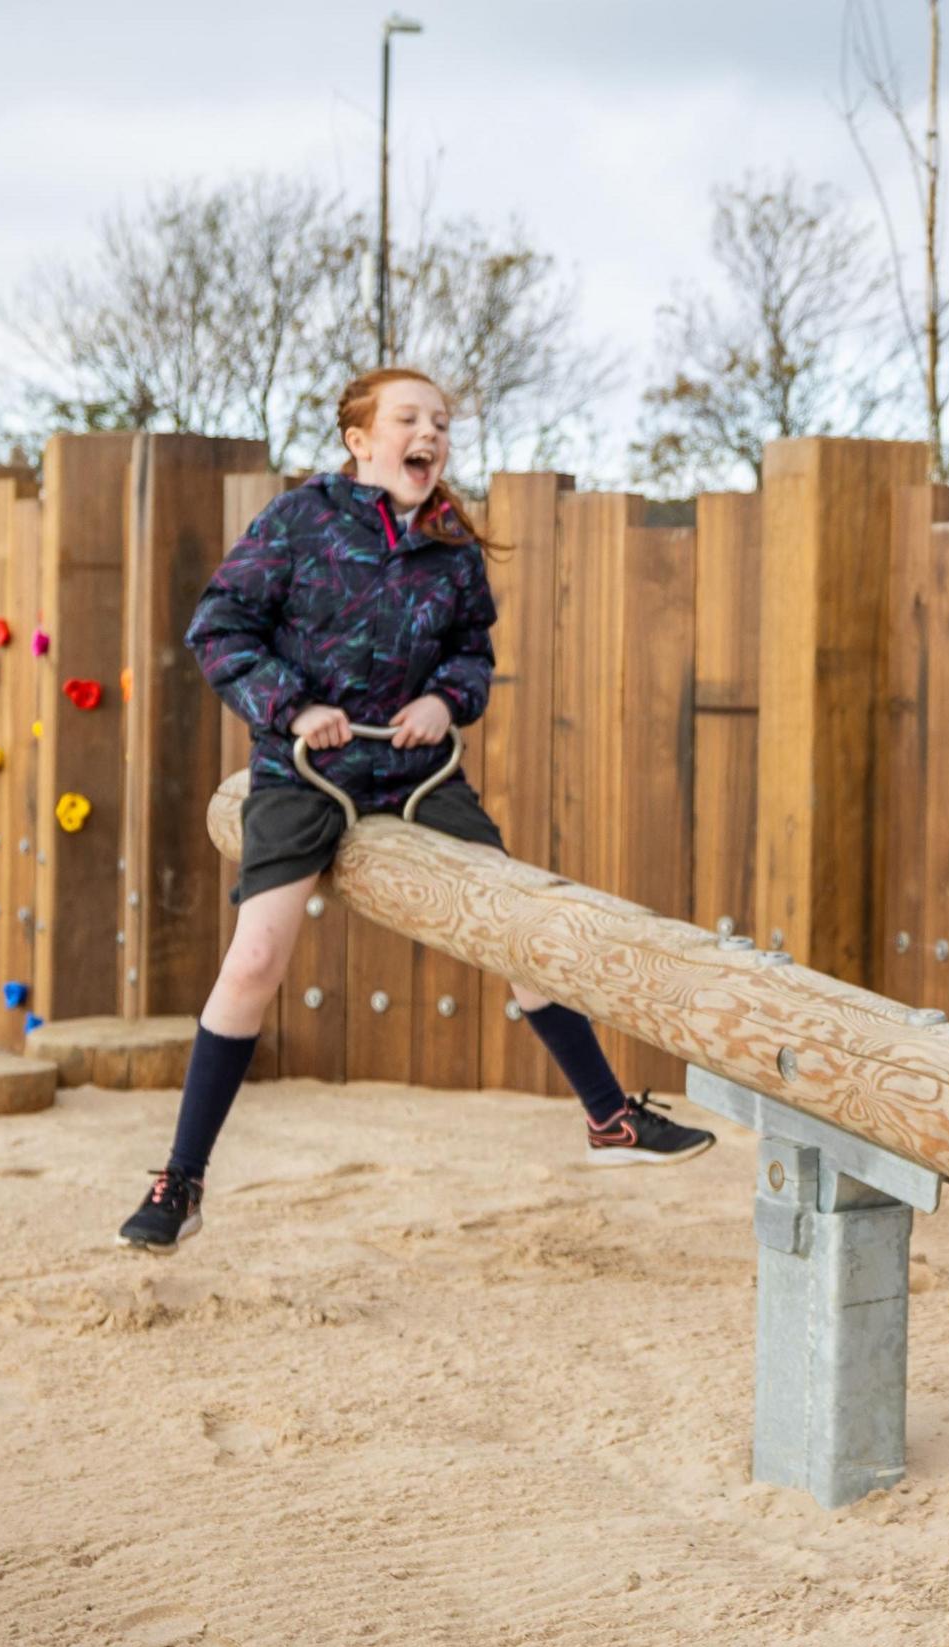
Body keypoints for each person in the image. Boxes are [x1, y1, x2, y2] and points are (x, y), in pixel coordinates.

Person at [119, 366, 710, 1251]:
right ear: (361, 439)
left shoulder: (451, 548)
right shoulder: (297, 521)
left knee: (517, 924)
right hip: (303, 770)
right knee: (252, 963)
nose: (427, 432)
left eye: (439, 421)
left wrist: (444, 701)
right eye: (408, 418)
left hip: (416, 778)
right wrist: (291, 707)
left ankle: (608, 1119)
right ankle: (182, 1179)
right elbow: (219, 628)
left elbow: (473, 655)